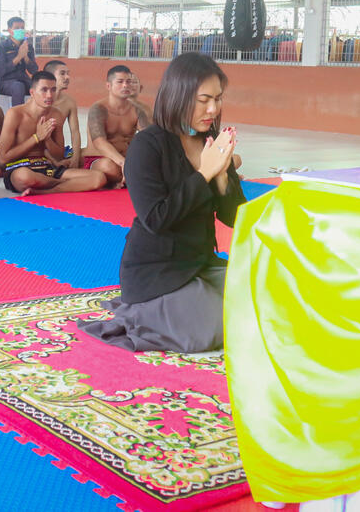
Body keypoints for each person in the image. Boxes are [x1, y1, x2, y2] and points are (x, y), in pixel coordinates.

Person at [80, 53, 243, 354]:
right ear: (178, 96)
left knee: (266, 299)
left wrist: (221, 178)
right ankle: (139, 314)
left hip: (199, 264)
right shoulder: (148, 145)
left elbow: (235, 218)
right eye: (203, 99)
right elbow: (156, 218)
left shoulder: (213, 141)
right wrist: (204, 173)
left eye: (218, 99)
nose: (213, 109)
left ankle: (193, 301)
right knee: (211, 330)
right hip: (156, 272)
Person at [0, 71, 106, 195]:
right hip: (19, 168)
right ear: (32, 92)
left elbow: (59, 155)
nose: (49, 95)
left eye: (53, 90)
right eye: (44, 90)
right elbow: (3, 157)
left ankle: (46, 191)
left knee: (99, 178)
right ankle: (64, 184)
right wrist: (36, 137)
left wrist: (47, 139)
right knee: (24, 177)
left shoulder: (56, 114)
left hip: (46, 167)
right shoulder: (15, 114)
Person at [82, 65, 152, 187]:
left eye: (128, 82)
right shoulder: (98, 109)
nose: (125, 85)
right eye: (120, 82)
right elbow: (99, 142)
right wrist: (123, 162)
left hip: (126, 159)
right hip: (100, 160)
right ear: (108, 86)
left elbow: (149, 136)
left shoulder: (137, 110)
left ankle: (123, 179)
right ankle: (125, 177)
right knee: (109, 167)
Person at [43, 60, 82, 167]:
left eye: (68, 73)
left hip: (59, 151)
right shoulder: (38, 100)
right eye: (62, 73)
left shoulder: (69, 102)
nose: (67, 77)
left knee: (87, 155)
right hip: (39, 152)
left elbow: (75, 132)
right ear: (50, 77)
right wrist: (55, 162)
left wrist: (75, 158)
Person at [0, 16, 38, 106]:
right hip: (6, 82)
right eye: (17, 28)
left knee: (40, 86)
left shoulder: (28, 47)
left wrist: (25, 57)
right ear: (10, 31)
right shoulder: (1, 47)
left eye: (22, 28)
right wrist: (19, 57)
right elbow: (1, 71)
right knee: (18, 87)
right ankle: (17, 117)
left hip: (23, 79)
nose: (20, 30)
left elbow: (33, 70)